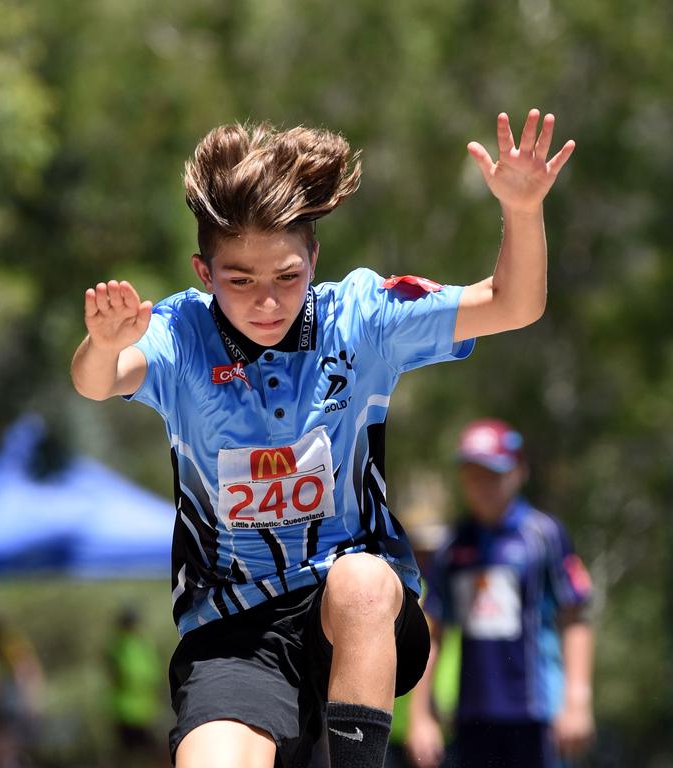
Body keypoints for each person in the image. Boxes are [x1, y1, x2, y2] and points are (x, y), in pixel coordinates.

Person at [71, 109, 575, 768]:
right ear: (203, 272)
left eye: (287, 277)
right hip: (233, 633)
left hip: (356, 617)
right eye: (240, 281)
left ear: (315, 258)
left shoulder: (360, 318)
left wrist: (523, 207)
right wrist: (103, 344)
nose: (267, 302)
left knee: (360, 580)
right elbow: (96, 380)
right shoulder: (180, 331)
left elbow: (514, 303)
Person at [407, 418, 594, 768]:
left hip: (539, 714)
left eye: (493, 473)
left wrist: (577, 701)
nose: (482, 486)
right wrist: (421, 716)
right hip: (472, 716)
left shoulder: (544, 536)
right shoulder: (453, 546)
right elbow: (432, 633)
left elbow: (575, 616)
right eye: (473, 474)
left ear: (518, 472)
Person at [104, 606, 166, 768]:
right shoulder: (119, 645)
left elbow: (152, 673)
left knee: (146, 751)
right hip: (128, 710)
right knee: (131, 753)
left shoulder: (139, 644)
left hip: (142, 709)